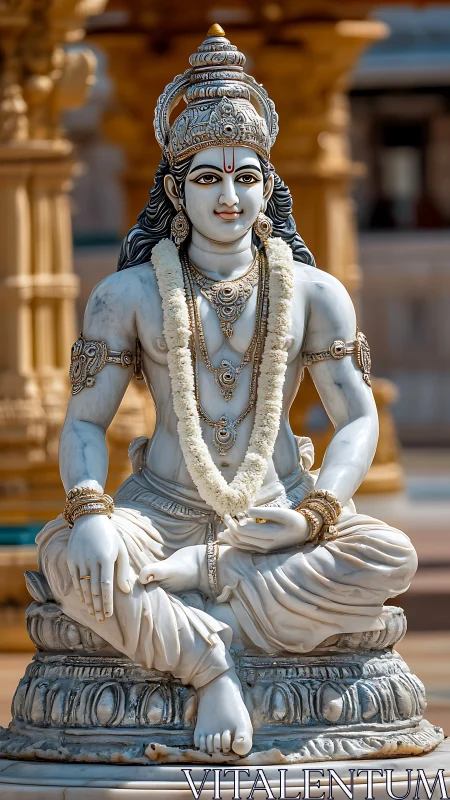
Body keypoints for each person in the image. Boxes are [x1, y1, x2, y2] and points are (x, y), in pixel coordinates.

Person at [36, 24, 417, 759]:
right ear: (176, 188)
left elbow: (358, 416)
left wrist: (315, 515)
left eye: (247, 175)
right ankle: (211, 666)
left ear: (269, 184)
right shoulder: (129, 296)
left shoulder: (315, 293)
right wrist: (88, 510)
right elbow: (84, 423)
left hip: (275, 520)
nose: (231, 196)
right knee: (67, 557)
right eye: (208, 177)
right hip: (161, 514)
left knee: (387, 555)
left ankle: (195, 598)